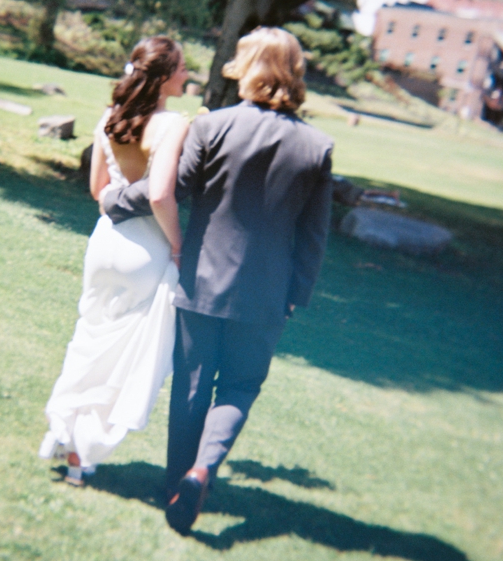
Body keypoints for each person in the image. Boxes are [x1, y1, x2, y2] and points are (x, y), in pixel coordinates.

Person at [103, 27, 334, 533]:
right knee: (240, 385)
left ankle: (174, 486)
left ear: (249, 68)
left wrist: (113, 202)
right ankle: (204, 469)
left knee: (190, 387)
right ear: (293, 73)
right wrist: (297, 295)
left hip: (202, 281)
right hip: (267, 295)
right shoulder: (317, 147)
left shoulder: (214, 127)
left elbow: (170, 189)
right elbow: (313, 237)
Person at [38, 36, 190, 484]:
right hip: (146, 249)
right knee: (123, 360)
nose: (187, 75)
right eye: (182, 68)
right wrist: (179, 247)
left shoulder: (108, 118)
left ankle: (64, 433)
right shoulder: (172, 125)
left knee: (89, 341)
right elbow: (160, 194)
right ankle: (83, 455)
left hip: (104, 243)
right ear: (163, 78)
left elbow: (98, 190)